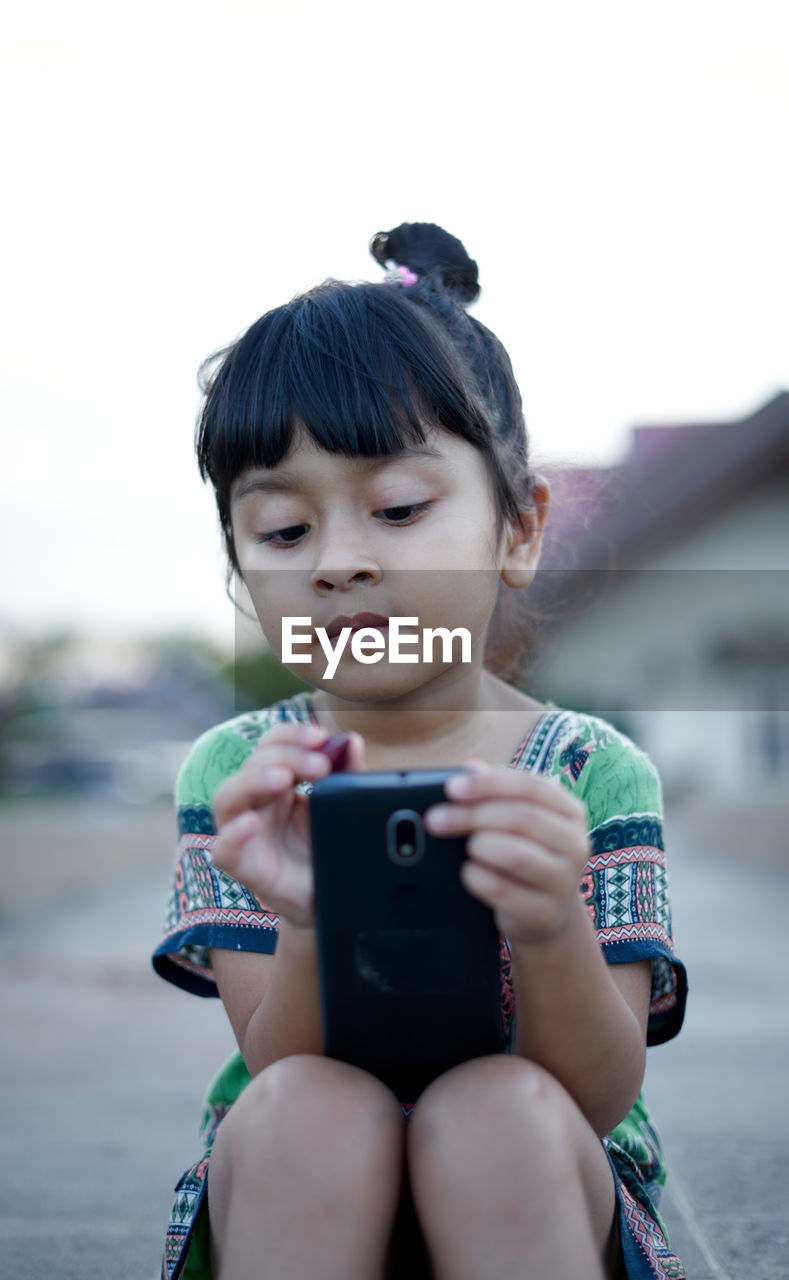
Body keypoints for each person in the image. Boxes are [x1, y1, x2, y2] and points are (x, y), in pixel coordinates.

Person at [152, 222, 688, 1280]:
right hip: (302, 1189)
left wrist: (544, 922)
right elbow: (275, 1061)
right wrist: (307, 910)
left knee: (497, 1109)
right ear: (237, 564)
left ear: (519, 528)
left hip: (537, 1185)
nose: (341, 561)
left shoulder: (589, 771)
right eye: (283, 530)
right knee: (305, 1106)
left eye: (397, 507)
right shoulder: (240, 776)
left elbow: (596, 1092)